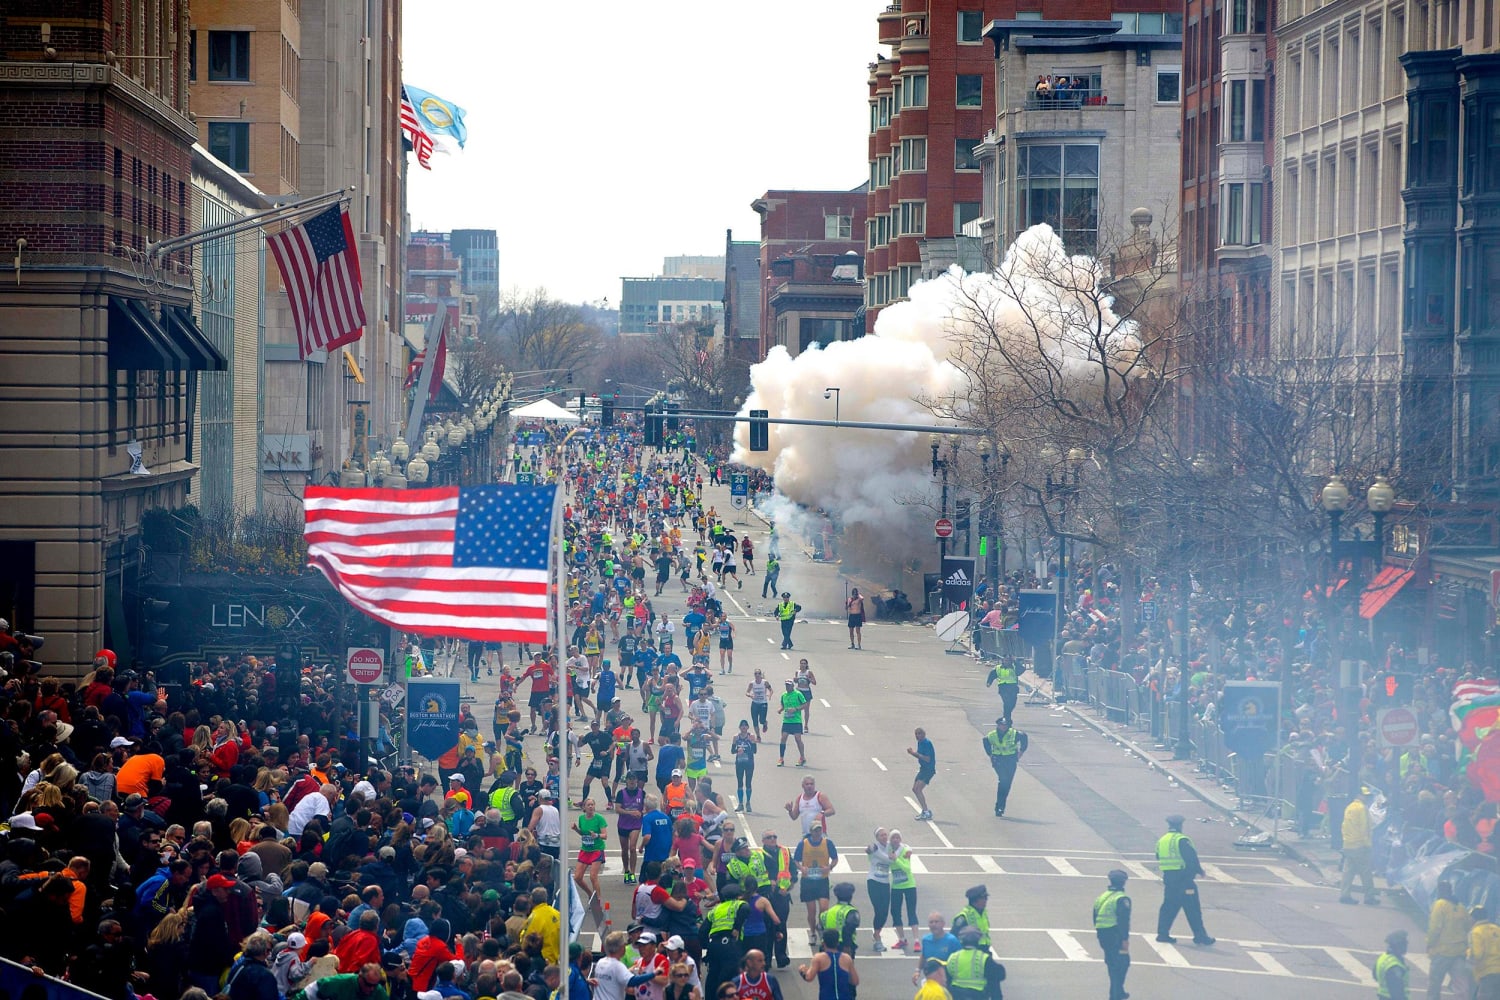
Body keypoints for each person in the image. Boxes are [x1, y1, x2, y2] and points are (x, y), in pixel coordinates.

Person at [1155, 814, 1215, 945]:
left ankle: (1162, 934)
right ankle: (1200, 936)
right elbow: (1191, 859)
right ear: (1180, 825)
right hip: (1184, 880)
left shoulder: (1162, 840)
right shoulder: (1182, 840)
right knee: (1192, 908)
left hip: (1169, 879)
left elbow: (1158, 856)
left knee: (1169, 907)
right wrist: (1199, 871)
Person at [701, 882, 749, 998]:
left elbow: (702, 931)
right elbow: (745, 909)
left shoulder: (716, 909)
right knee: (728, 977)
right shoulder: (738, 904)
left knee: (713, 975)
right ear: (739, 896)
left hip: (715, 944)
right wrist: (736, 928)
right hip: (730, 944)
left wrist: (707, 946)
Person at [1427, 878, 1473, 999]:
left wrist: (1429, 944)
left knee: (1434, 985)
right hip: (1459, 952)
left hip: (1442, 951)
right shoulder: (1461, 907)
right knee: (1461, 986)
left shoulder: (1439, 904)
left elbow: (1434, 928)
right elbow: (1469, 926)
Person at [757, 831, 796, 968]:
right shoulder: (759, 855)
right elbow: (757, 874)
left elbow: (793, 872)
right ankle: (766, 959)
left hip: (782, 896)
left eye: (775, 836)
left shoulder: (785, 852)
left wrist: (788, 888)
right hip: (767, 895)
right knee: (767, 927)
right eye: (769, 837)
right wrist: (768, 884)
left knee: (781, 925)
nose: (773, 839)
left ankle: (781, 955)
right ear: (763, 841)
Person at [591, 929, 665, 1000]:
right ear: (621, 948)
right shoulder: (617, 966)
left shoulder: (600, 962)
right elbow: (632, 981)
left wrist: (630, 970)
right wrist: (653, 973)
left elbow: (615, 976)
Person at [795, 824, 838, 942]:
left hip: (822, 880)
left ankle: (820, 925)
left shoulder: (827, 843)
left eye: (819, 830)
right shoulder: (803, 844)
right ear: (811, 832)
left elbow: (835, 858)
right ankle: (813, 932)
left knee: (824, 908)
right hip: (808, 881)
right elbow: (796, 860)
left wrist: (829, 867)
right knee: (811, 911)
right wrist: (801, 868)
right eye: (815, 830)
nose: (818, 832)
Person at [1093, 869, 1132, 1000]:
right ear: (1123, 882)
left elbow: (1094, 916)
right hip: (1115, 935)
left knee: (1112, 963)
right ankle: (1115, 995)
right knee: (1123, 963)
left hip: (1103, 934)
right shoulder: (1122, 898)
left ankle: (1118, 991)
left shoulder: (1102, 896)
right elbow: (1123, 921)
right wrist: (1124, 939)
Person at [1340, 786, 1380, 906]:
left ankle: (1344, 895)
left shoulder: (1349, 807)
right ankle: (1369, 897)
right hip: (1360, 845)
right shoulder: (1362, 808)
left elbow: (1344, 825)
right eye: (1365, 796)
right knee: (1366, 872)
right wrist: (1368, 845)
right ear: (1359, 795)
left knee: (1348, 871)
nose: (1367, 798)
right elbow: (1364, 828)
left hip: (1348, 844)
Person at [981, 717, 1027, 817]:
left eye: (1005, 725)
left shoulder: (1014, 733)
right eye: (1001, 725)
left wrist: (1021, 752)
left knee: (1007, 783)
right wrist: (990, 754)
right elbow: (985, 741)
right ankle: (999, 807)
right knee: (1003, 780)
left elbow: (1024, 738)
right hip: (998, 760)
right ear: (998, 725)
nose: (1003, 727)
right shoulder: (992, 735)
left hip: (1010, 759)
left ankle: (1001, 806)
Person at [943, 925, 1004, 999]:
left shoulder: (953, 958)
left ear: (961, 940)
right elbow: (999, 975)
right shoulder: (984, 959)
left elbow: (946, 980)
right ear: (978, 940)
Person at [798, 929, 859, 1000]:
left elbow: (809, 977)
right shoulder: (846, 958)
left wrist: (802, 970)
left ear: (823, 943)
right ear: (837, 943)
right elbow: (855, 981)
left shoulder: (819, 958)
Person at [888, 829, 919, 950]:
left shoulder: (905, 850)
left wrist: (896, 859)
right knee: (895, 912)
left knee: (911, 912)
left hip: (909, 885)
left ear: (900, 839)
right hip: (896, 886)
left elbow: (907, 868)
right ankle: (901, 939)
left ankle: (916, 940)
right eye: (893, 838)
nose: (895, 840)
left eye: (897, 837)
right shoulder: (888, 849)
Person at [822, 881, 860, 957]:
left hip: (827, 946)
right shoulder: (851, 911)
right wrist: (847, 946)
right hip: (843, 945)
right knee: (846, 967)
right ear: (850, 896)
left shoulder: (827, 912)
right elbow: (848, 930)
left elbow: (820, 928)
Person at [777, 680, 808, 768]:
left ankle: (802, 757)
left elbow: (805, 704)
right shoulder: (784, 695)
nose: (787, 687)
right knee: (783, 738)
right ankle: (781, 758)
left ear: (792, 686)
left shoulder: (798, 694)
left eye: (789, 685)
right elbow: (783, 705)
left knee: (798, 739)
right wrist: (780, 709)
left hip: (796, 721)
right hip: (786, 720)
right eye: (786, 685)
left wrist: (796, 709)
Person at [951, 885, 990, 950]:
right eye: (984, 898)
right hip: (971, 951)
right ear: (975, 900)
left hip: (984, 950)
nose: (986, 900)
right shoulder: (963, 917)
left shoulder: (983, 913)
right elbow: (954, 937)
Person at [908, 729, 935, 821]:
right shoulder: (920, 742)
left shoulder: (926, 743)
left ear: (923, 734)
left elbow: (927, 759)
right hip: (923, 769)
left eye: (919, 734)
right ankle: (925, 811)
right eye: (916, 734)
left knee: (918, 789)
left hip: (928, 770)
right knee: (915, 789)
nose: (917, 736)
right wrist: (913, 754)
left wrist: (914, 753)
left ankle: (926, 812)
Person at [1376, 928, 1411, 1000]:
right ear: (1398, 946)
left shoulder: (1383, 957)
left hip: (1382, 996)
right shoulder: (1395, 967)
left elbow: (1375, 974)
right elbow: (1397, 992)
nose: (1406, 945)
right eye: (1404, 943)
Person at [1473, 909, 1500, 1000]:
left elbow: (1477, 954)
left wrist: (1468, 952)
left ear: (1474, 918)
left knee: (1484, 996)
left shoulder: (1476, 932)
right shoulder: (1497, 929)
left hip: (1487, 971)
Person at [731, 720, 758, 812]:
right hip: (739, 763)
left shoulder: (751, 736)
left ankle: (748, 803)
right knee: (740, 783)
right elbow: (732, 751)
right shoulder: (736, 737)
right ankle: (740, 803)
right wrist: (737, 751)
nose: (743, 727)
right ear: (739, 727)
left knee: (748, 783)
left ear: (748, 727)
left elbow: (754, 751)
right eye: (742, 726)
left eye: (745, 725)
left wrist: (751, 743)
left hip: (749, 763)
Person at [985, 658, 1020, 724]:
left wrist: (1015, 661)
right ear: (1003, 661)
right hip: (1003, 687)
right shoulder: (998, 668)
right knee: (1007, 702)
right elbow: (992, 674)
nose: (1007, 662)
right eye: (1005, 660)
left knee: (1012, 704)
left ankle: (1006, 715)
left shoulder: (1014, 667)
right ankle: (1007, 718)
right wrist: (989, 682)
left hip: (1013, 688)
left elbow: (1022, 669)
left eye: (1008, 660)